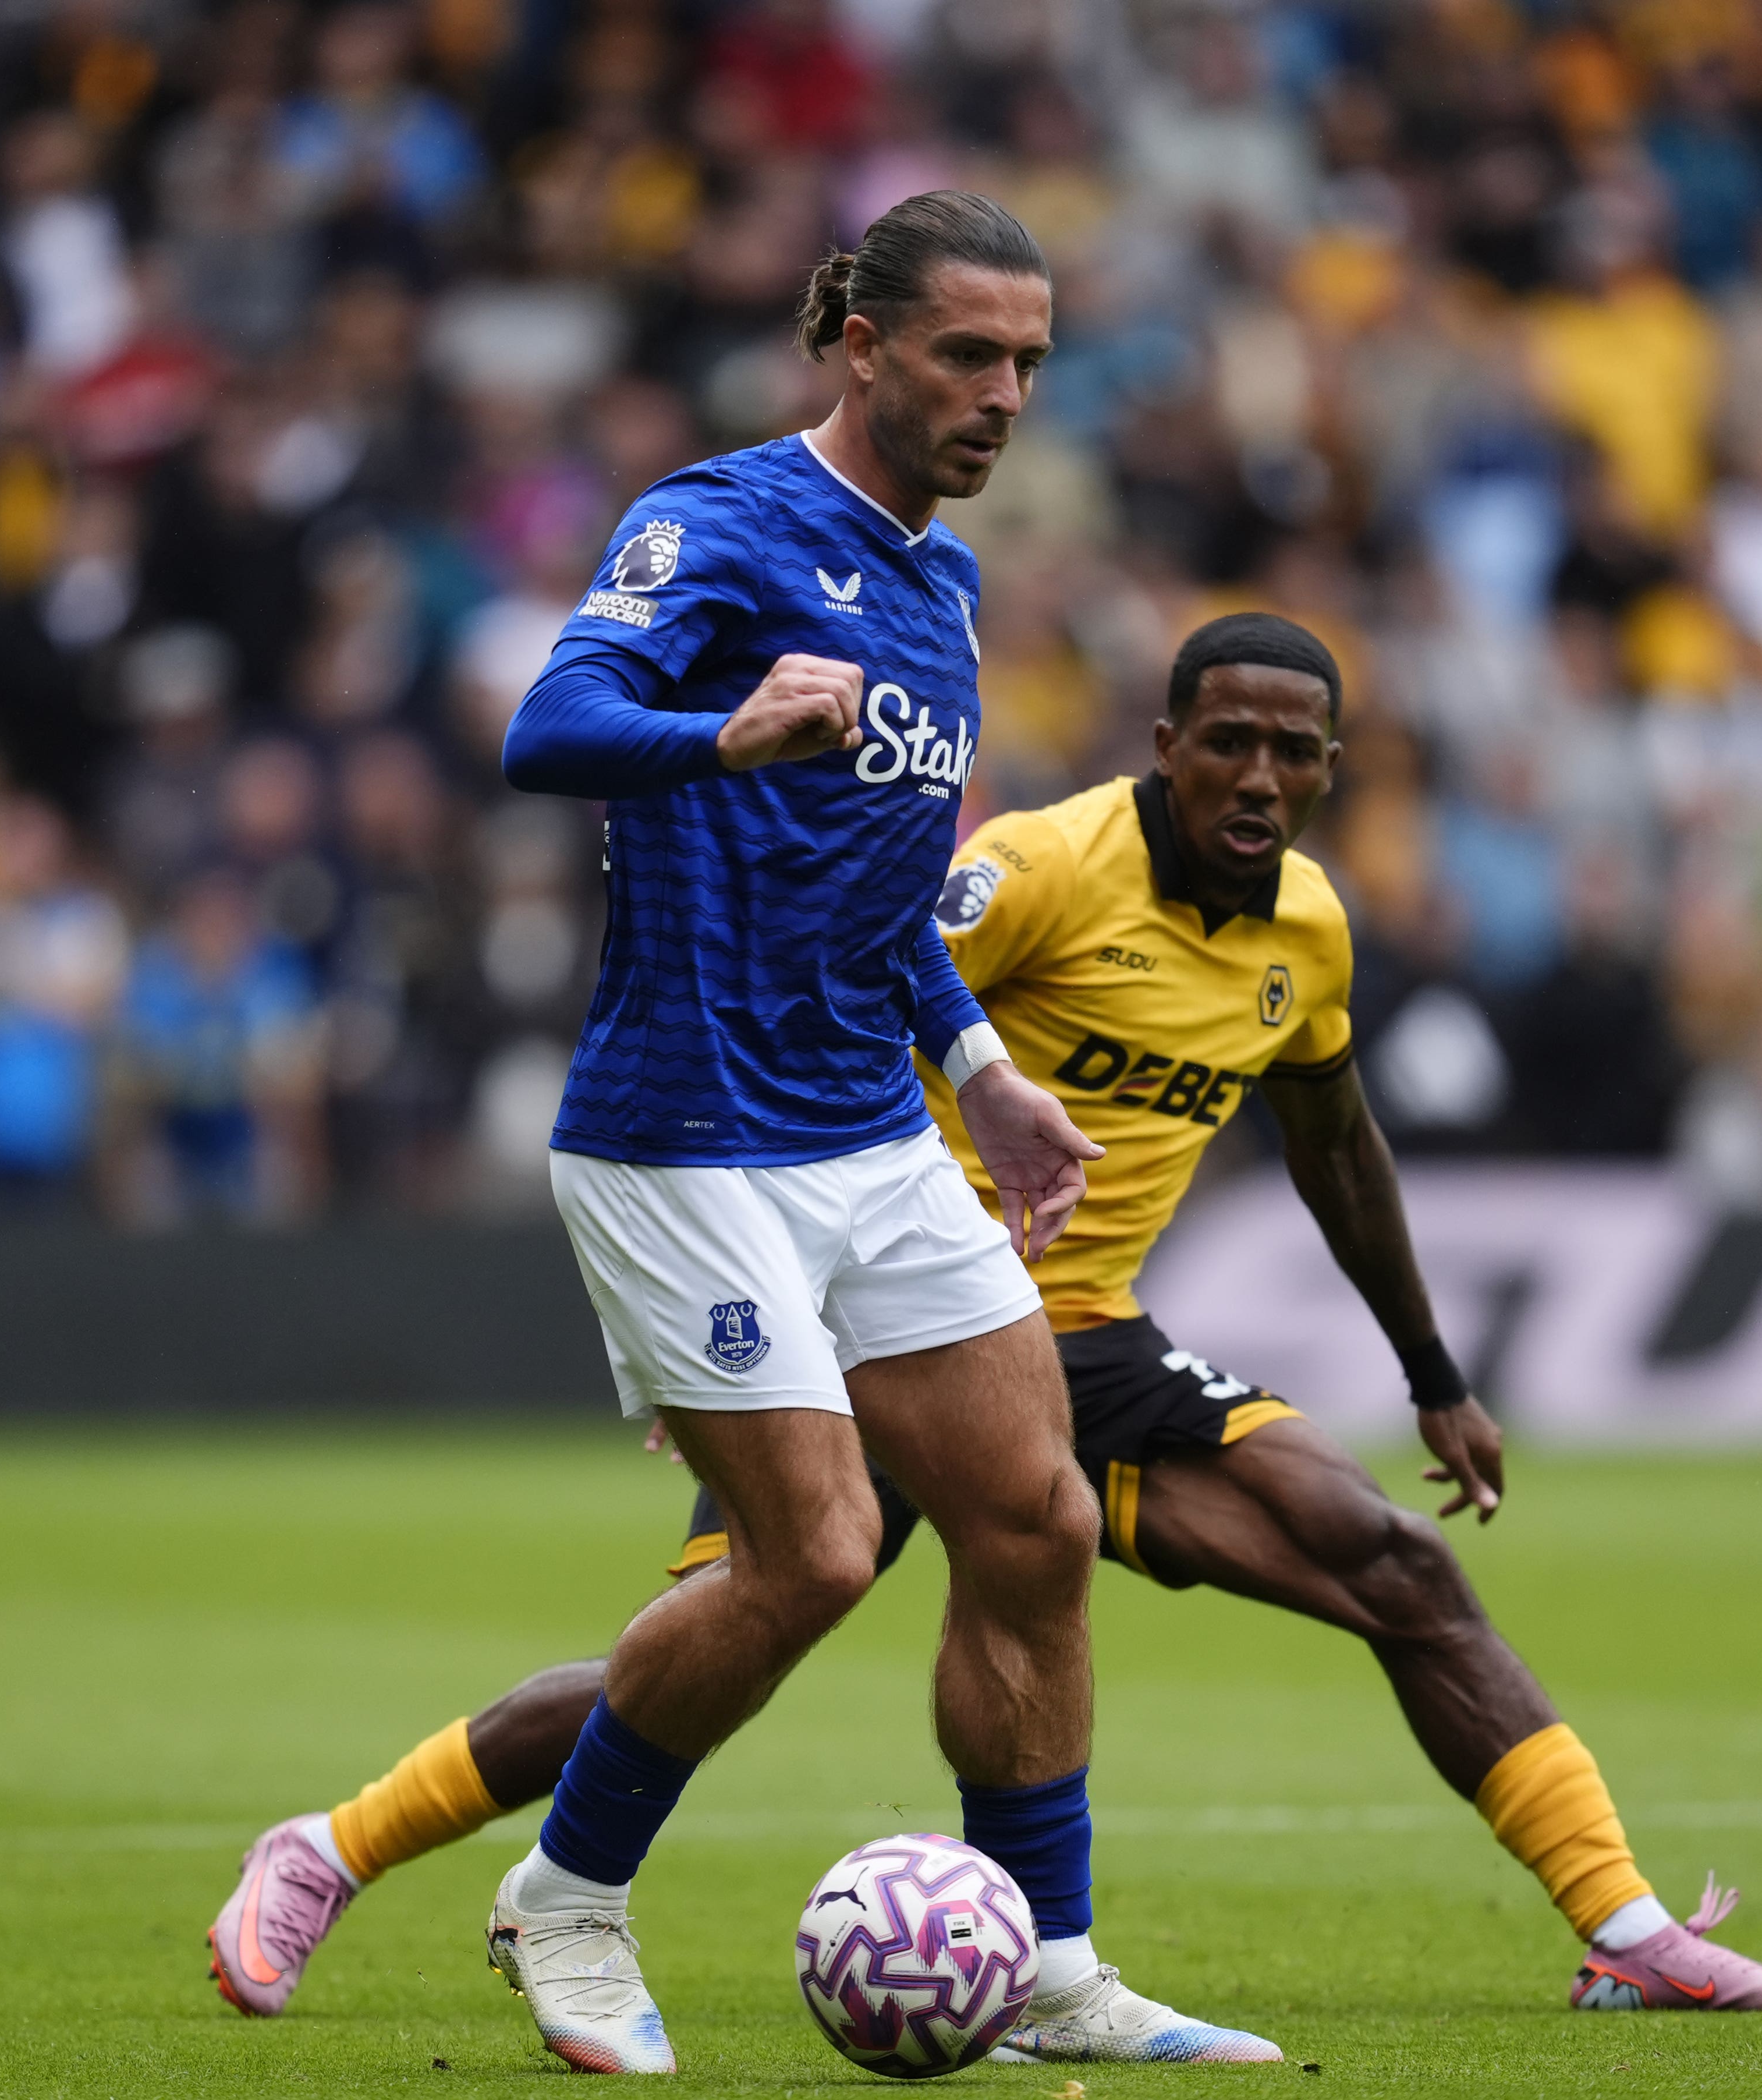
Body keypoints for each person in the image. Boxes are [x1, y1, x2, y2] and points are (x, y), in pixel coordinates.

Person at [204, 614, 1762, 2042]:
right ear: (1166, 746)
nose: (1257, 780)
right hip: (886, 1323)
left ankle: (1626, 1940)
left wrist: (1433, 1377)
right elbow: (844, 976)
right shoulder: (1043, 869)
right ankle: (331, 1851)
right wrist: (754, 1294)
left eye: (1293, 753)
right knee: (727, 1641)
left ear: (1336, 767)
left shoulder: (1310, 934)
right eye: (1227, 746)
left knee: (1392, 1566)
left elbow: (1335, 1144)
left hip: (1090, 1348)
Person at [208, 191, 1269, 2074]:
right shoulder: (713, 522)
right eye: (967, 354)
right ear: (860, 345)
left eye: (1029, 360)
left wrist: (981, 1066)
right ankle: (568, 1896)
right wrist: (718, 736)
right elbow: (549, 725)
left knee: (1028, 1520)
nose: (1005, 394)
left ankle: (1044, 1967)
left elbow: (875, 904)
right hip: (682, 1135)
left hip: (865, 1127)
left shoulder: (938, 588)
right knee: (815, 1560)